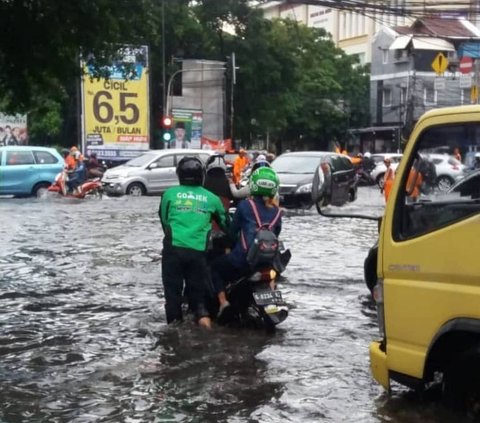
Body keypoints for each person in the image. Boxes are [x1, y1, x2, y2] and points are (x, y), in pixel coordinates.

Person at [159, 156, 229, 328]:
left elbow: (164, 220)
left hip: (172, 251)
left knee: (172, 297)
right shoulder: (212, 198)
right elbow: (226, 224)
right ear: (202, 175)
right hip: (198, 253)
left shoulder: (169, 194)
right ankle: (207, 332)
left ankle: (173, 337)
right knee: (198, 300)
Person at [211, 166, 282, 320]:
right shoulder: (277, 212)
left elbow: (232, 230)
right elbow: (276, 233)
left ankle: (223, 303)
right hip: (268, 260)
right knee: (271, 276)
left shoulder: (245, 206)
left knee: (214, 268)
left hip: (242, 260)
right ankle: (272, 305)